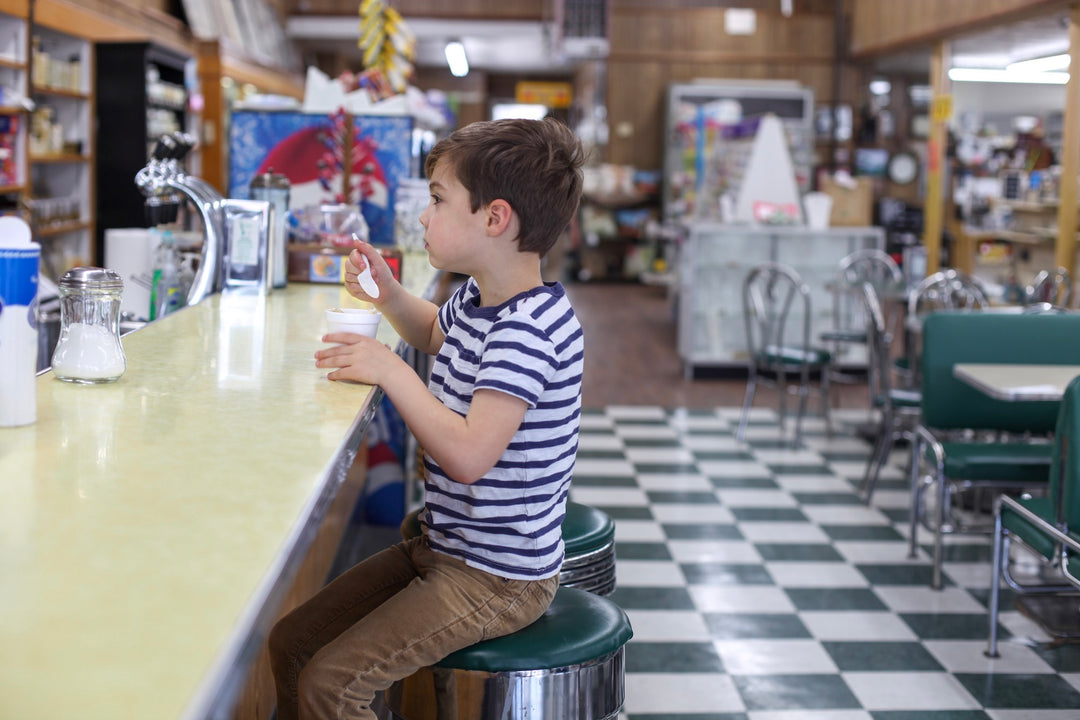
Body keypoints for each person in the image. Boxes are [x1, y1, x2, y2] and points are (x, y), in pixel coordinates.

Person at [268, 117, 587, 720]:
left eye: (438, 200)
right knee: (291, 645)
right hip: (447, 545)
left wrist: (392, 371)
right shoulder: (480, 295)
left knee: (331, 686)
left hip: (497, 576)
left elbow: (468, 457)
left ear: (494, 219)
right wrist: (387, 294)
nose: (423, 215)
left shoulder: (527, 331)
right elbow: (435, 332)